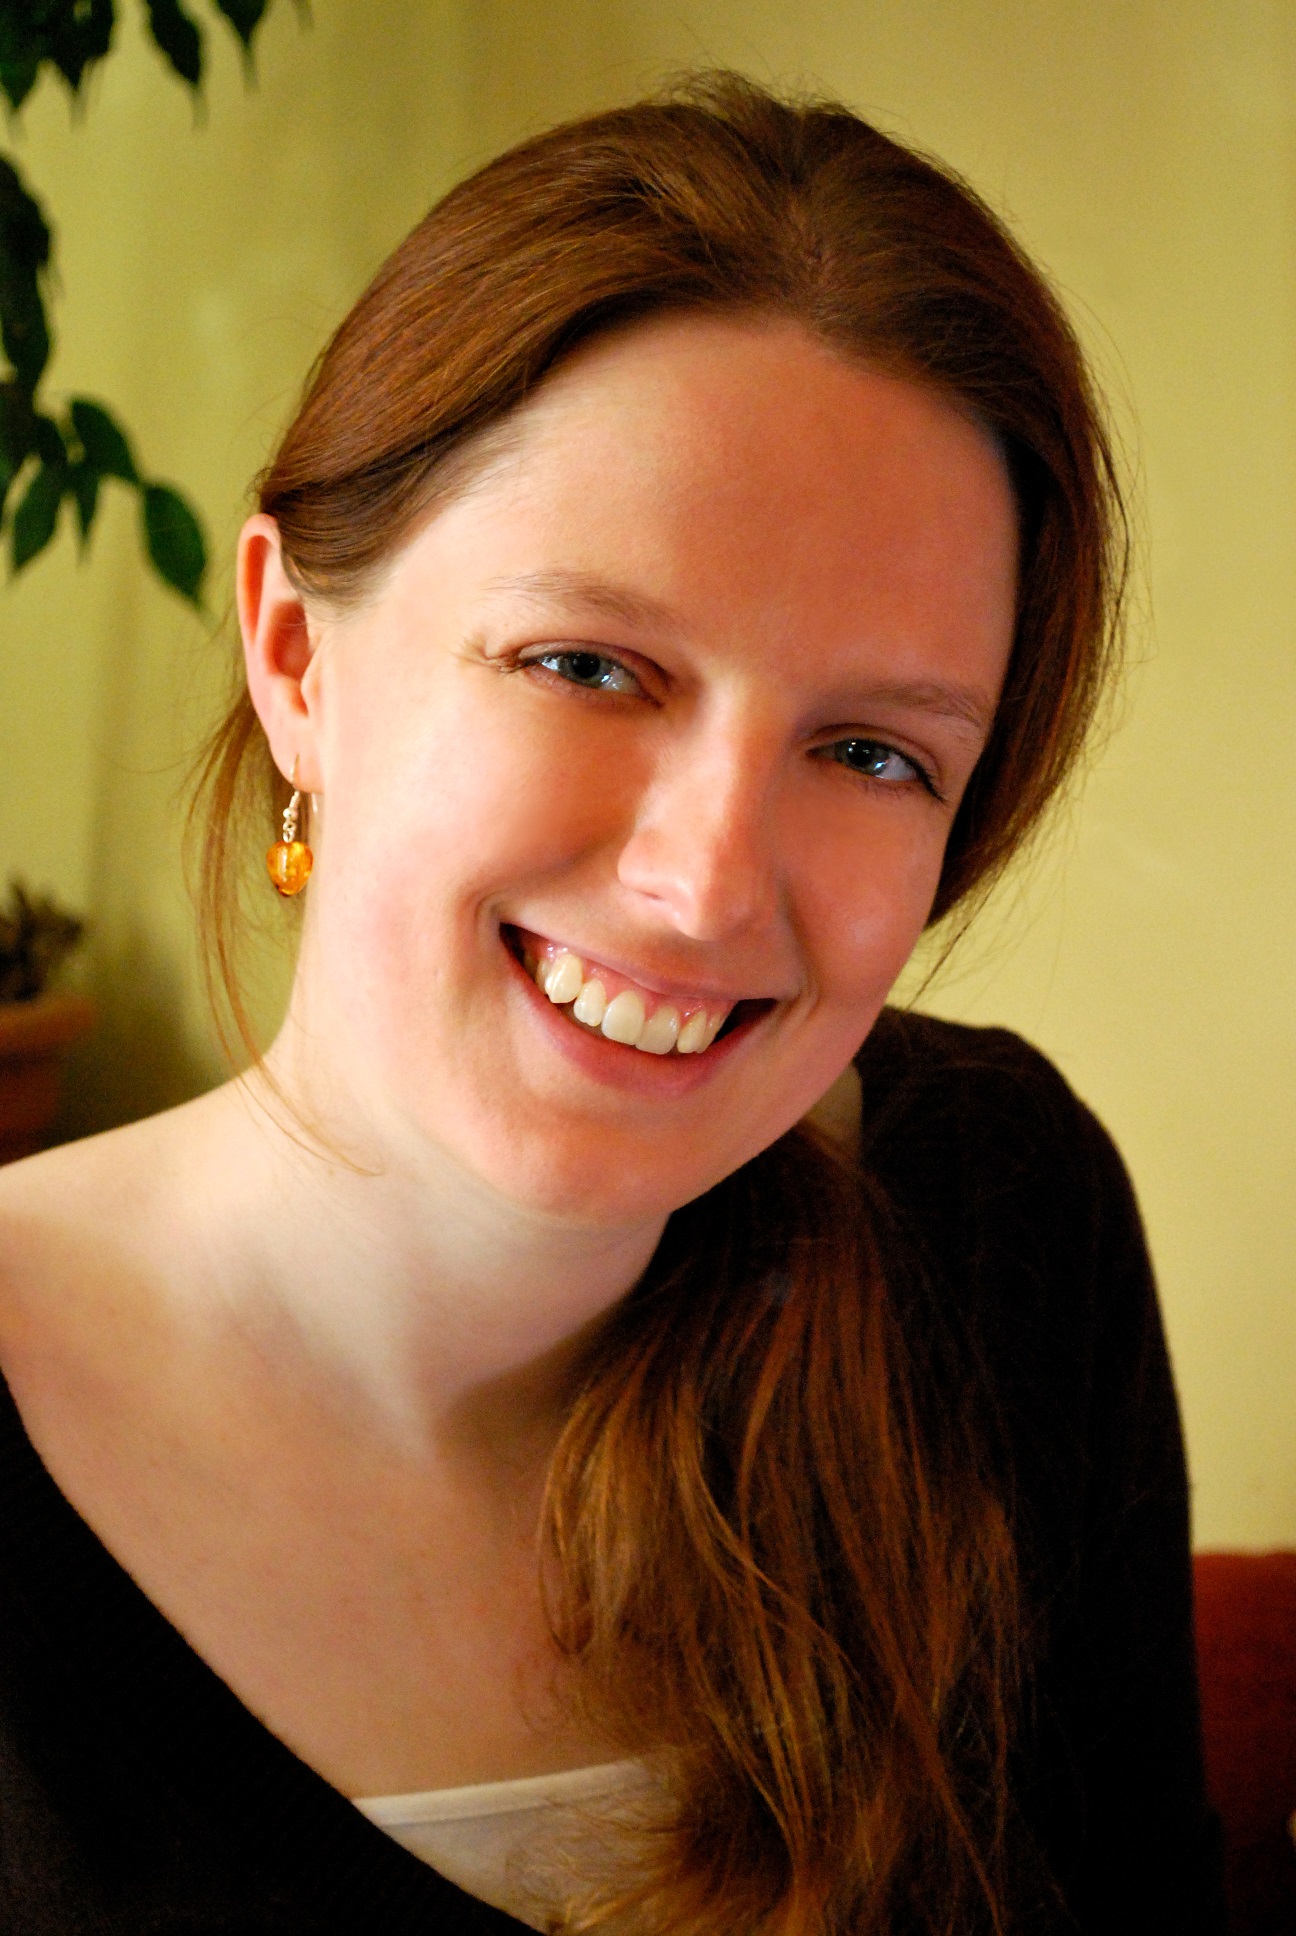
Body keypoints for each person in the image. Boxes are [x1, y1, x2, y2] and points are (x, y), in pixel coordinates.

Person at [0, 74, 1224, 1936]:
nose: (707, 883)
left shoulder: (1000, 1220)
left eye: (873, 753)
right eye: (587, 664)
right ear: (295, 653)